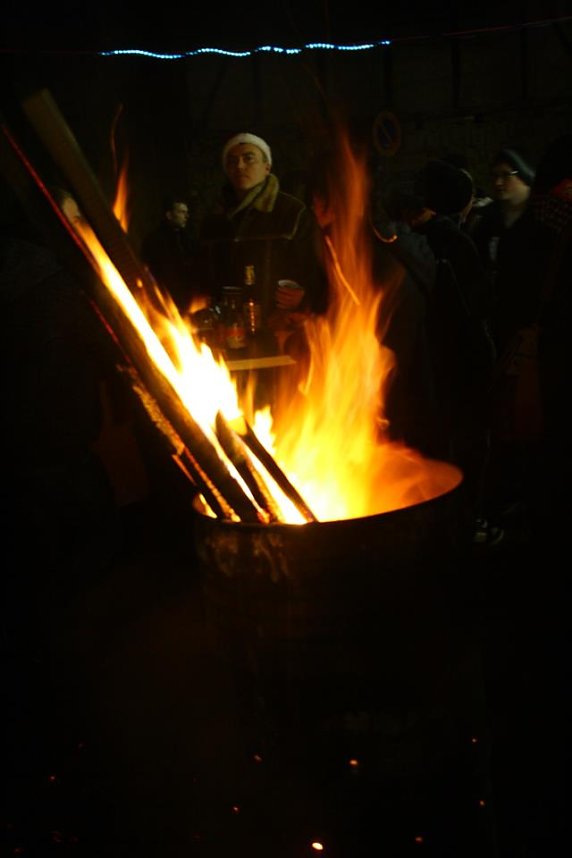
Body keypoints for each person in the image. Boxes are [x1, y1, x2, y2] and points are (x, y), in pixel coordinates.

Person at [194, 132, 329, 351]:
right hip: (230, 335)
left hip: (281, 332)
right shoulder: (214, 221)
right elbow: (204, 277)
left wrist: (305, 297)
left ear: (267, 166)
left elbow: (319, 271)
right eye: (232, 161)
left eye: (249, 158)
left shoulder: (292, 213)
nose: (240, 165)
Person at [140, 194, 199, 313]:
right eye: (181, 212)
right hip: (163, 298)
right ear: (169, 215)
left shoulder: (187, 239)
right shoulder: (155, 240)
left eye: (186, 212)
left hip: (184, 299)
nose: (186, 216)